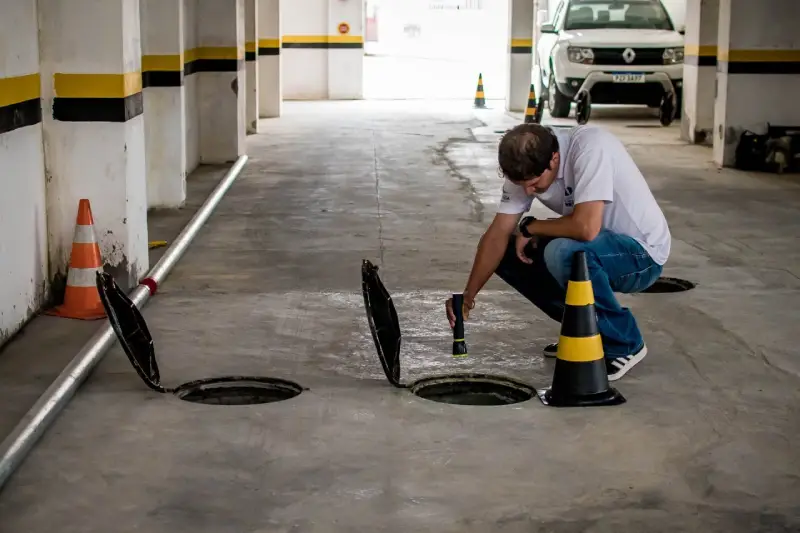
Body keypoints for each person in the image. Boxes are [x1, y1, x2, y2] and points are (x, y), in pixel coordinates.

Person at [445, 123, 671, 381]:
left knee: (562, 252)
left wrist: (532, 227)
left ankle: (624, 343)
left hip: (641, 255)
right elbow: (496, 235)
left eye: (535, 183)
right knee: (507, 249)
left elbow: (586, 228)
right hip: (599, 247)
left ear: (554, 159)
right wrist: (468, 296)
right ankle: (583, 330)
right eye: (522, 184)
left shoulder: (590, 147)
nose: (529, 191)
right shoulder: (526, 163)